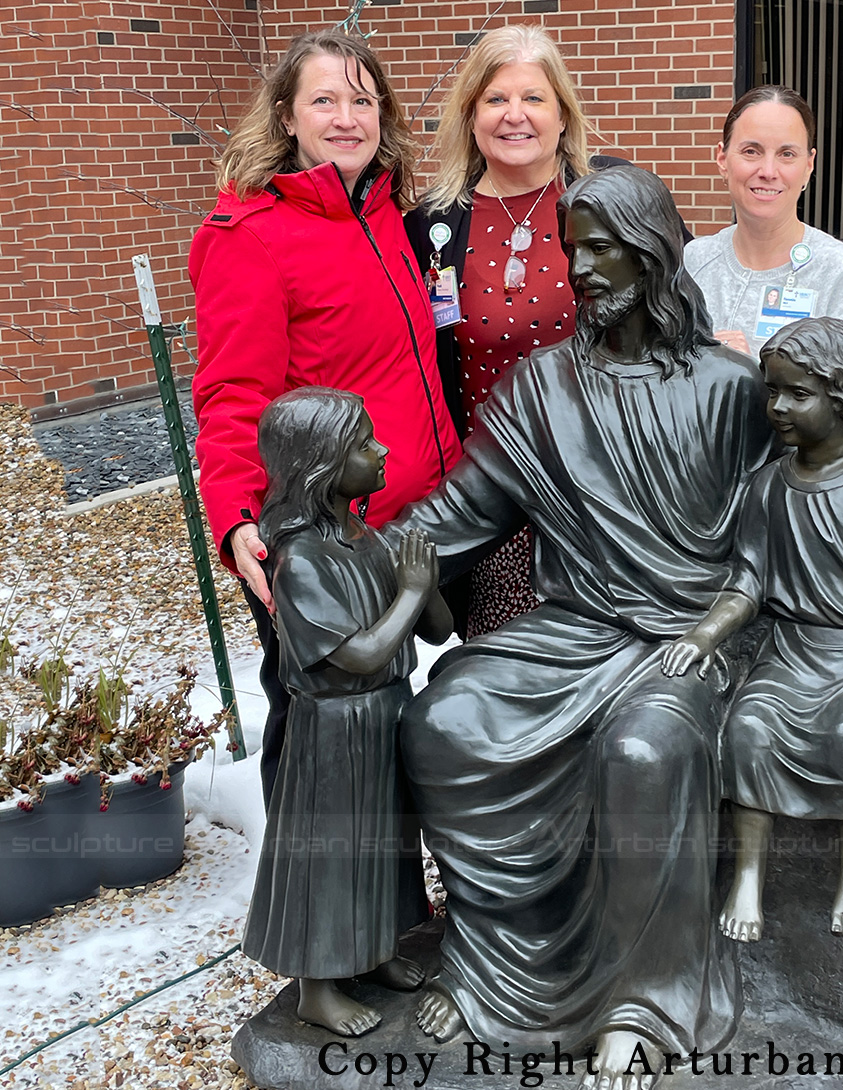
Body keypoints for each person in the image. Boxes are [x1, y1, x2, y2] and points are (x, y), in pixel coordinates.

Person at [393, 165, 767, 1090]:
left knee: (643, 750)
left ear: (653, 252)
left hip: (692, 637)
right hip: (577, 629)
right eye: (573, 250)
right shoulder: (543, 387)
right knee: (445, 721)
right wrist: (351, 552)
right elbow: (461, 511)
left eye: (602, 248)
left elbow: (803, 501)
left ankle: (647, 1004)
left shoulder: (731, 388)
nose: (584, 269)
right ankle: (492, 971)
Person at [189, 30, 461, 804]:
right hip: (325, 538)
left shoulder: (386, 215)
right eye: (324, 100)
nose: (347, 118)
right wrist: (238, 518)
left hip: (412, 515)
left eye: (363, 100)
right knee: (318, 734)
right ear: (286, 116)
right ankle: (302, 877)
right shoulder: (251, 237)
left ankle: (392, 872)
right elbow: (233, 394)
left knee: (393, 716)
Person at [661, 317, 843, 944]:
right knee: (748, 728)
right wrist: (702, 636)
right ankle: (748, 876)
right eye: (772, 391)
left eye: (799, 394)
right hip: (792, 650)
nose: (778, 407)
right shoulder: (766, 486)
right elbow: (746, 584)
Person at [404, 24, 627, 637]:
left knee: (611, 664)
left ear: (563, 114)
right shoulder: (431, 226)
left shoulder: (610, 197)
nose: (514, 115)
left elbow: (672, 310)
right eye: (496, 99)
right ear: (471, 115)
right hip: (493, 497)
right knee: (503, 671)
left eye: (533, 98)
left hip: (607, 492)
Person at [244, 387, 453, 1037]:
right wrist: (410, 592)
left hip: (387, 713)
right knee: (332, 855)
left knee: (386, 844)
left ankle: (376, 948)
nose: (381, 450)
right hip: (334, 729)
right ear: (321, 465)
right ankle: (318, 987)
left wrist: (425, 583)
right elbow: (360, 654)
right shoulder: (301, 560)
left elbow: (438, 629)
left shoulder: (368, 538)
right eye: (364, 444)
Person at [685, 85, 843, 445]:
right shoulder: (693, 262)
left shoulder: (840, 272)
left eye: (786, 154)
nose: (768, 171)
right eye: (751, 151)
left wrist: (750, 373)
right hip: (700, 469)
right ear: (722, 158)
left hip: (797, 477)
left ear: (808, 165)